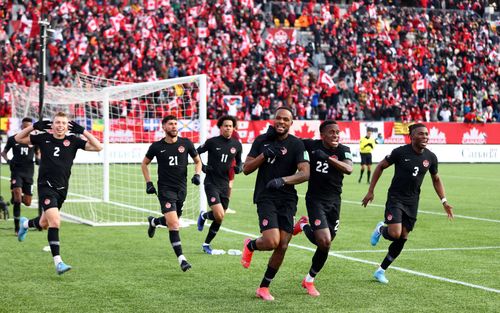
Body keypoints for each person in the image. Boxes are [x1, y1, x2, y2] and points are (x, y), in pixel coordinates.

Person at [361, 123, 454, 284]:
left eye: (426, 134)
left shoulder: (431, 157)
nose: (424, 137)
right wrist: (371, 191)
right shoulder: (400, 152)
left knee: (403, 236)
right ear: (411, 136)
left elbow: (436, 179)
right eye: (420, 134)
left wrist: (444, 201)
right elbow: (380, 166)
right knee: (395, 233)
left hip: (412, 201)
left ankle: (381, 270)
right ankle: (381, 229)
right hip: (396, 198)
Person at [15, 112, 102, 275]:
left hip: (62, 189)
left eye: (63, 123)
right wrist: (34, 127)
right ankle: (58, 262)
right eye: (57, 122)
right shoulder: (43, 138)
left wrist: (83, 131)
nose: (60, 125)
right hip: (45, 187)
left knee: (44, 223)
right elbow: (18, 139)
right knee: (55, 222)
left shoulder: (74, 141)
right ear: (52, 125)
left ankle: (25, 224)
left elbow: (98, 146)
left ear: (67, 125)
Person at [240, 106, 310, 301]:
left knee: (283, 246)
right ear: (273, 119)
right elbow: (245, 169)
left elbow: (305, 173)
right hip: (266, 196)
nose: (281, 122)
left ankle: (264, 287)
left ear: (291, 123)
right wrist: (264, 155)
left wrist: (283, 180)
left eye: (286, 119)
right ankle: (251, 245)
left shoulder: (297, 145)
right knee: (272, 241)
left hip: (287, 199)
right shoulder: (262, 141)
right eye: (278, 118)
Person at [293, 120, 353, 297]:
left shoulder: (343, 150)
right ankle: (310, 280)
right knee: (324, 241)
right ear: (322, 135)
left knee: (327, 242)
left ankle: (303, 225)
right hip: (315, 199)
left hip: (334, 201)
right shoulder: (311, 145)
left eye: (337, 132)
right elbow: (293, 142)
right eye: (331, 132)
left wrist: (327, 158)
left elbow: (349, 169)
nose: (335, 135)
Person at [142, 115, 202, 272]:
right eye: (170, 124)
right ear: (164, 127)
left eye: (176, 124)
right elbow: (144, 163)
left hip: (181, 189)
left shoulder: (186, 143)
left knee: (173, 220)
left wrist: (197, 174)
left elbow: (198, 161)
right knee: (174, 224)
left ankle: (154, 222)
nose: (174, 126)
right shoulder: (156, 146)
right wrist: (148, 182)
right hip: (165, 190)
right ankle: (182, 259)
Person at [196, 115, 242, 254]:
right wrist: (203, 167)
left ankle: (206, 243)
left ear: (233, 128)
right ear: (220, 128)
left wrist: (238, 168)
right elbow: (195, 153)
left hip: (225, 185)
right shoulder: (212, 142)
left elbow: (239, 162)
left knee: (219, 217)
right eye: (225, 125)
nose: (228, 128)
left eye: (230, 126)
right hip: (211, 183)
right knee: (219, 215)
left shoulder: (237, 145)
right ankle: (204, 217)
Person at [1, 118, 38, 235]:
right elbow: (3, 152)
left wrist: (39, 159)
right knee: (17, 199)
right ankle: (17, 228)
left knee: (27, 202)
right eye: (25, 127)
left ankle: (14, 197)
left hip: (29, 173)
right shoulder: (13, 139)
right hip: (16, 171)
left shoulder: (35, 140)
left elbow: (38, 154)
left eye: (29, 127)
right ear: (22, 127)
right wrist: (8, 161)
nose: (27, 129)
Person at [226, 119, 241, 214]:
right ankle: (225, 206)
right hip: (230, 162)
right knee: (229, 185)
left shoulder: (226, 132)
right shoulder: (235, 134)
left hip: (226, 161)